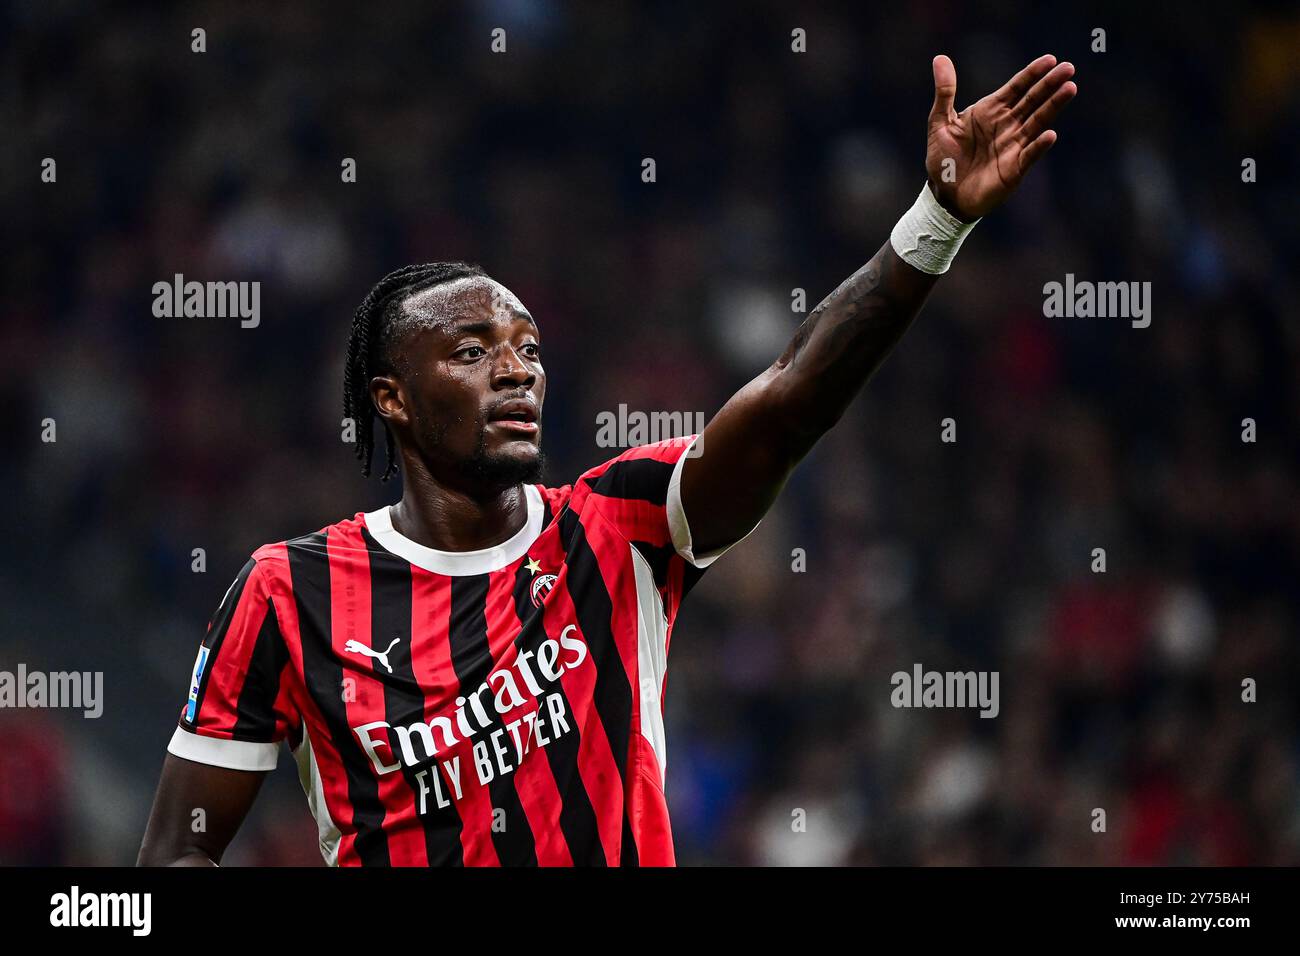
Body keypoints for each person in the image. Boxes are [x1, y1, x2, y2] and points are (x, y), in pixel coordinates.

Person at [138, 54, 1076, 866]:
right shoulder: (288, 593)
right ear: (391, 398)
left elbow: (791, 399)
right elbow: (179, 848)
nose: (515, 372)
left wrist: (936, 221)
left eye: (529, 349)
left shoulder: (620, 525)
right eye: (471, 352)